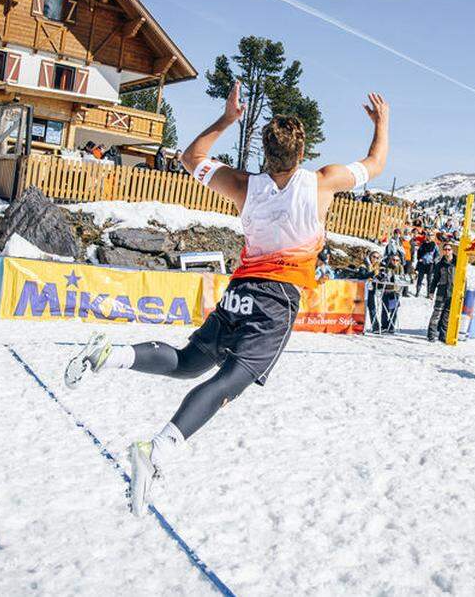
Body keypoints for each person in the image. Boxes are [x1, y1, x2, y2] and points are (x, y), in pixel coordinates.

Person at [63, 82, 390, 514]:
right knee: (227, 381)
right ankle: (157, 450)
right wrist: (382, 123)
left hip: (241, 290)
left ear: (265, 152)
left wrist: (226, 119)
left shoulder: (244, 186)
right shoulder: (323, 182)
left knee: (190, 362)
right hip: (276, 300)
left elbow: (189, 158)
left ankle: (114, 354)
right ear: (302, 149)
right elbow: (375, 163)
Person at [427, 243, 456, 342]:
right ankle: (431, 334)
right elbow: (435, 279)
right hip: (441, 292)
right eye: (445, 249)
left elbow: (463, 279)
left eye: (449, 249)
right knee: (437, 314)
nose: (447, 251)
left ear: (452, 251)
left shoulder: (457, 263)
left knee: (446, 316)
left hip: (452, 293)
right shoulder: (440, 264)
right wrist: (431, 291)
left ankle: (443, 335)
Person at [415, 231, 439, 297]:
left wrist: (434, 260)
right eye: (428, 235)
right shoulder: (423, 244)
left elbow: (437, 254)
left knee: (429, 279)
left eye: (431, 235)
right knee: (420, 278)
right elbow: (419, 252)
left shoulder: (434, 245)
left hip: (430, 264)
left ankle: (428, 293)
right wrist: (419, 258)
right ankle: (417, 292)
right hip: (422, 263)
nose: (429, 237)